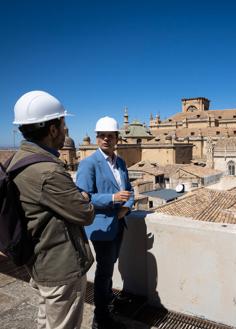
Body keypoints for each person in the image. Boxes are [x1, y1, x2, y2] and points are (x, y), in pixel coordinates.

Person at [10, 90, 95, 329]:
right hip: (60, 266)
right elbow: (85, 214)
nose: (67, 130)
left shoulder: (17, 160)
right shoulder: (48, 171)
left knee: (46, 321)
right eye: (63, 123)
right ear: (53, 129)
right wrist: (83, 196)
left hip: (39, 259)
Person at [76, 116, 134, 329]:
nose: (106, 139)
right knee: (104, 271)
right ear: (96, 138)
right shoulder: (88, 163)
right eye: (102, 136)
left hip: (119, 223)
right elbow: (83, 196)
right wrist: (111, 199)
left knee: (109, 267)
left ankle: (106, 303)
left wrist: (126, 207)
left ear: (117, 138)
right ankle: (100, 318)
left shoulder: (120, 162)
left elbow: (129, 189)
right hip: (101, 227)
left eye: (110, 136)